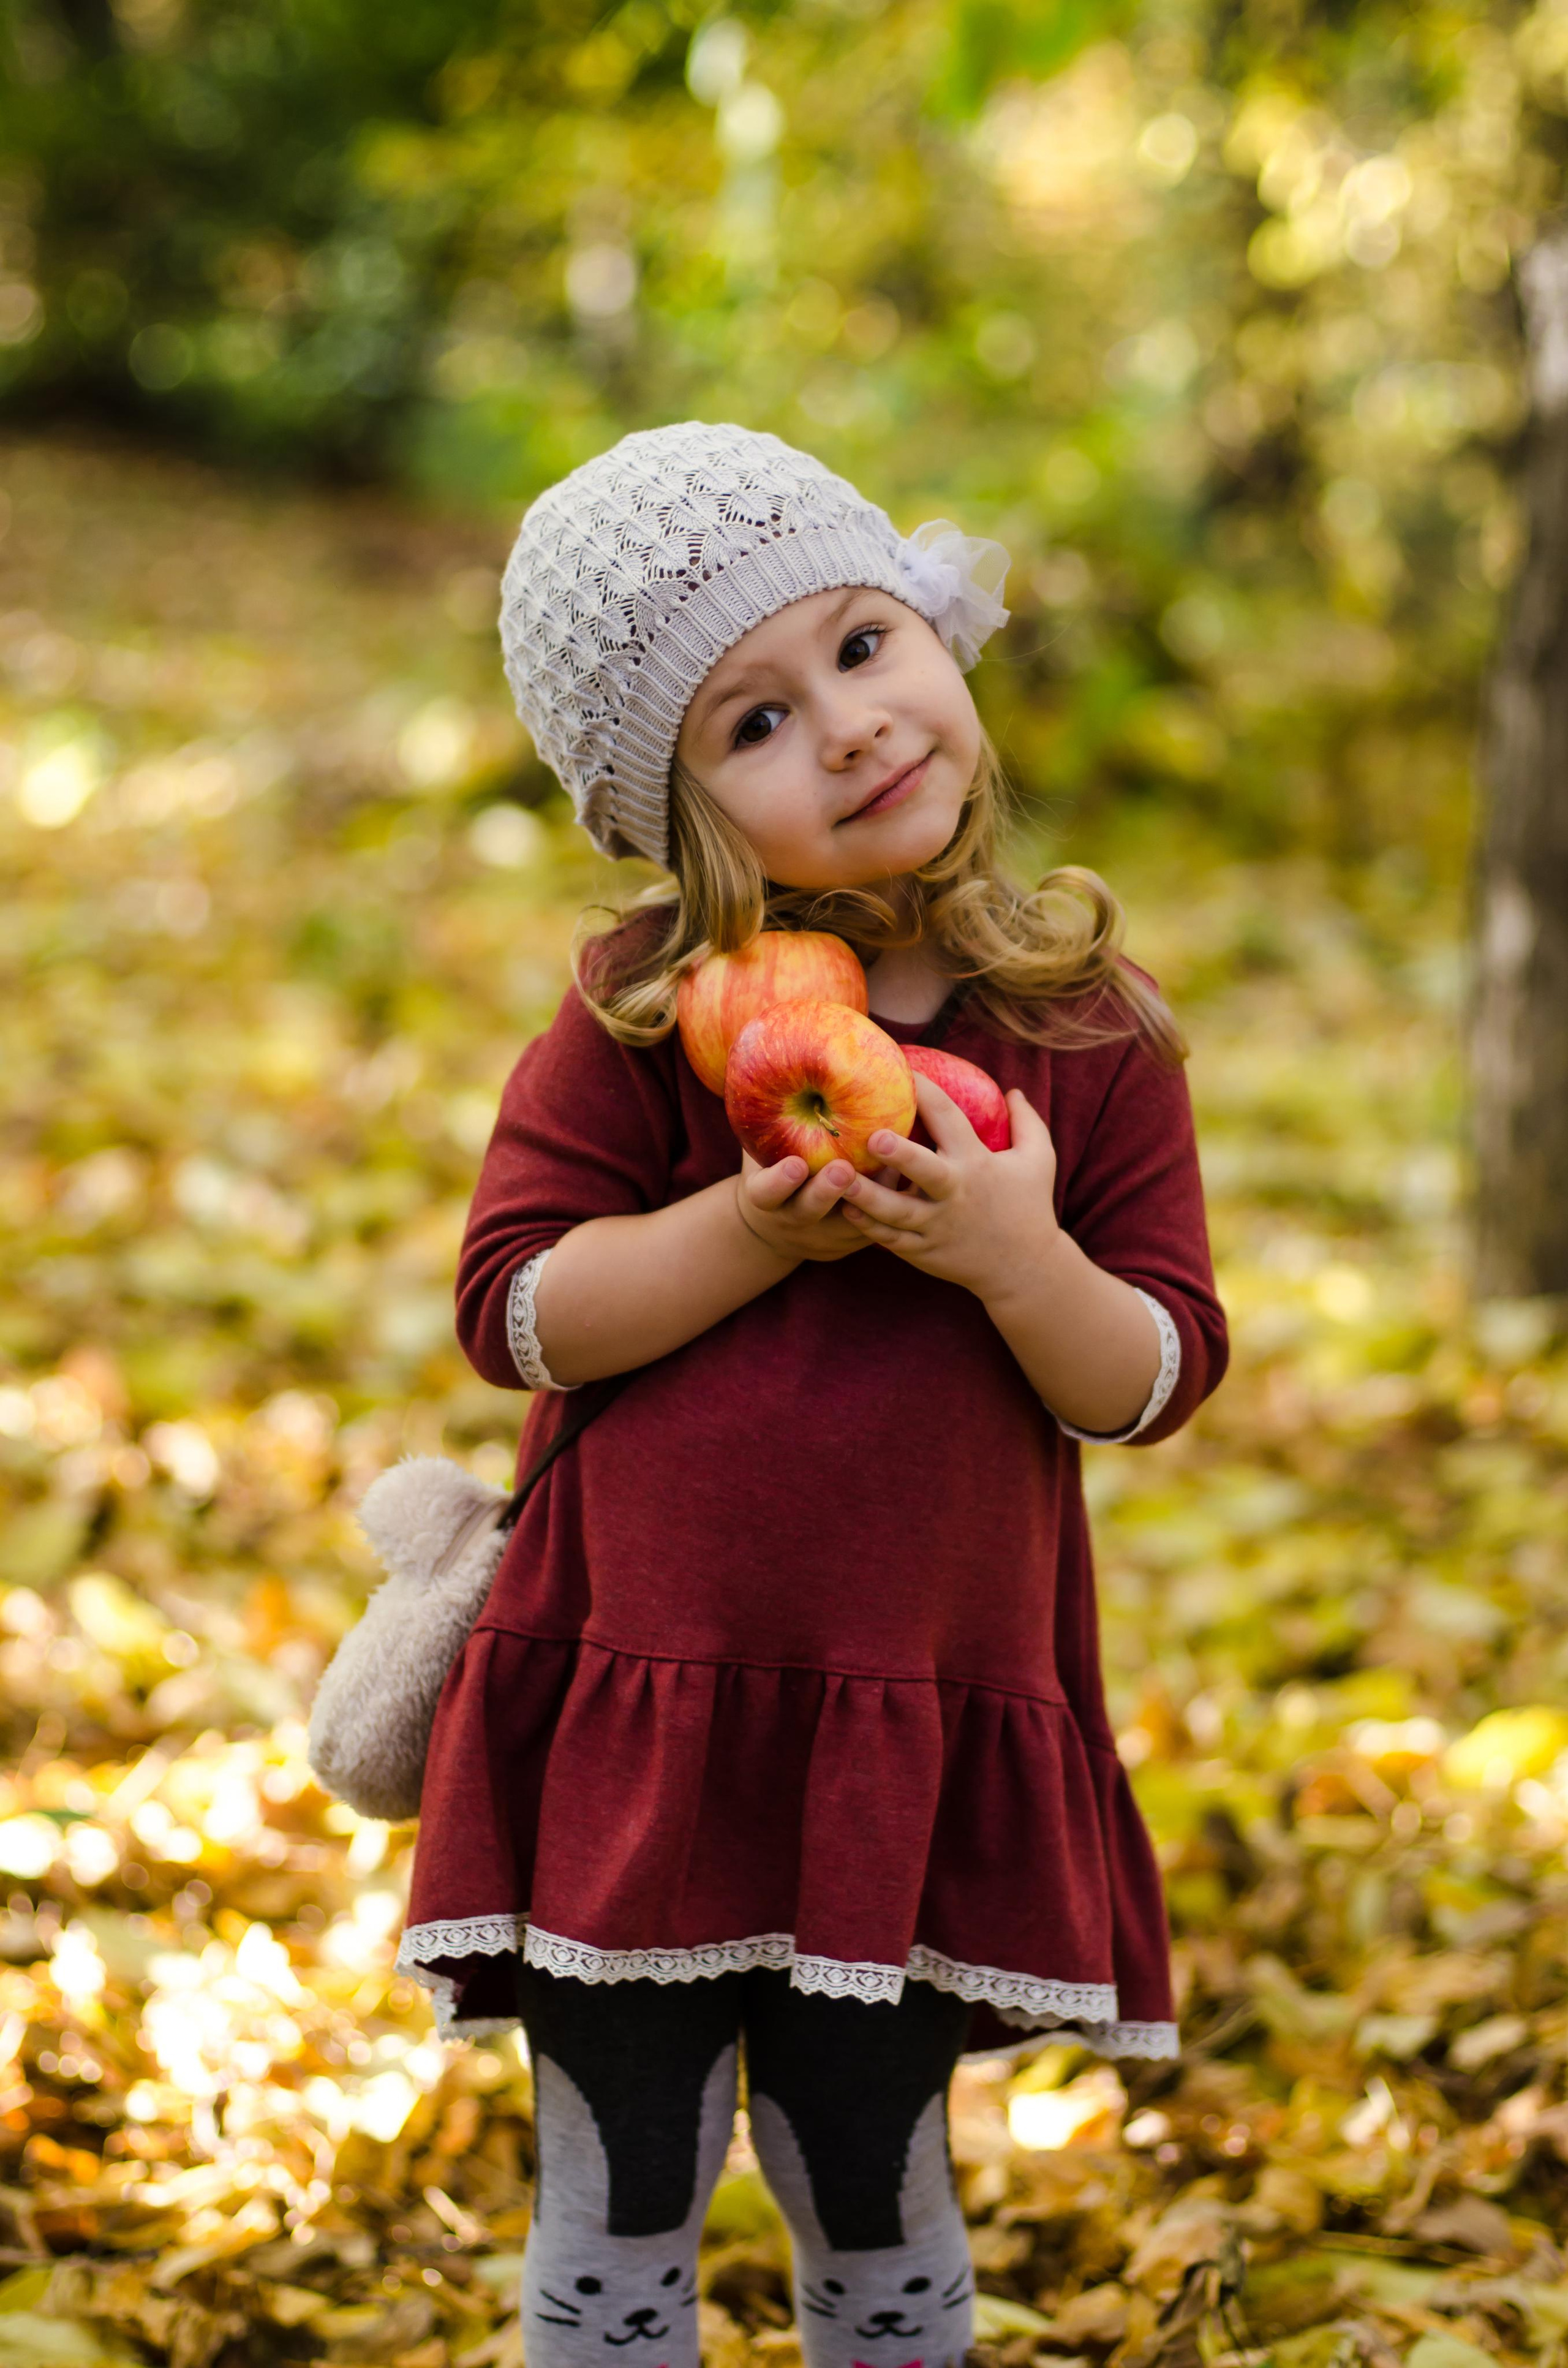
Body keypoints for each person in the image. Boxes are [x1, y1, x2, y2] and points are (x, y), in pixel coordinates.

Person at [395, 423, 1228, 2368]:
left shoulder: (1087, 1026)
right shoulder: (637, 1014)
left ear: (939, 630)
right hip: (642, 1697)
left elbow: (1155, 1373)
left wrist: (1019, 1255)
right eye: (753, 722)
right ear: (673, 817)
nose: (847, 729)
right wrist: (752, 1232)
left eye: (863, 648)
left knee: (874, 2160)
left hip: (912, 1714)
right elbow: (516, 1310)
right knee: (619, 2176)